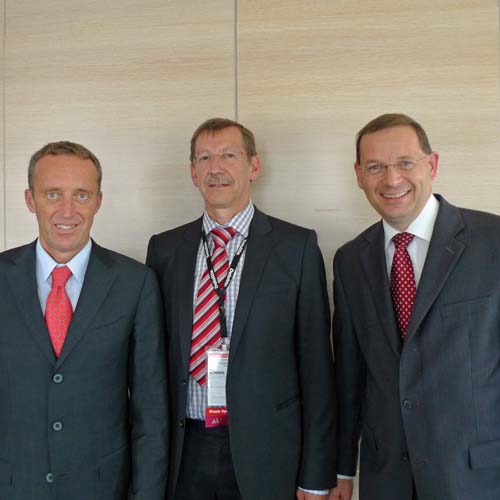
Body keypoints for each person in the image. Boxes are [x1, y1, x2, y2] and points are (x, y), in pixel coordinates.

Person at [147, 117, 336, 500]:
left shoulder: (296, 247)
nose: (215, 167)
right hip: (184, 450)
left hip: (268, 449)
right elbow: (151, 362)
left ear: (254, 166)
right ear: (193, 172)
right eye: (204, 157)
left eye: (229, 155)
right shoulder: (164, 250)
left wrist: (316, 475)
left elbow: (317, 366)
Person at [330, 113, 500, 500]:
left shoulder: (493, 242)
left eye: (405, 163)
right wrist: (341, 467)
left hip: (476, 477)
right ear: (359, 175)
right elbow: (349, 377)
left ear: (432, 165)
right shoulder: (350, 260)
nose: (392, 179)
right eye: (375, 167)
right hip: (387, 477)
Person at [0, 141, 169, 500]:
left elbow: (151, 412)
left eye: (81, 195)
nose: (67, 210)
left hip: (102, 488)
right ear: (30, 199)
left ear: (98, 201)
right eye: (52, 194)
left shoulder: (135, 283)